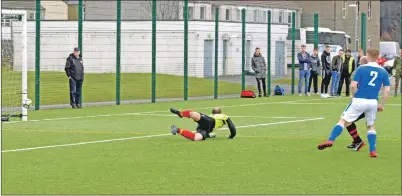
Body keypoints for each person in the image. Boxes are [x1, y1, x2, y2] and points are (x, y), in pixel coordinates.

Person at [317, 49, 391, 158]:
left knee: (343, 120)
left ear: (368, 55)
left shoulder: (362, 68)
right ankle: (372, 151)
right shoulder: (383, 71)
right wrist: (382, 105)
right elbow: (387, 90)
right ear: (378, 56)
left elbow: (352, 85)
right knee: (370, 126)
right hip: (373, 102)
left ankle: (331, 140)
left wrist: (354, 95)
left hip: (359, 100)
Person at [169, 107, 236, 141]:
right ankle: (179, 115)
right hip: (209, 122)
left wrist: (209, 135)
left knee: (196, 137)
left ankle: (177, 129)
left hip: (206, 127)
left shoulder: (212, 115)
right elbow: (232, 127)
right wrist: (231, 136)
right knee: (194, 115)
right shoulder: (224, 116)